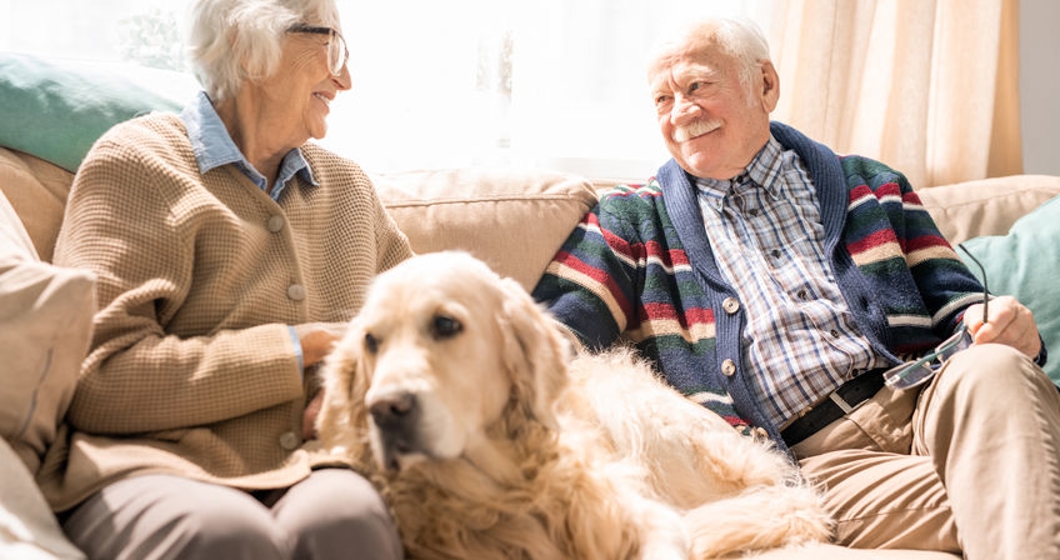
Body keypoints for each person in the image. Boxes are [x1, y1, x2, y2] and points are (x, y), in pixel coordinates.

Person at [532, 16, 1060, 560]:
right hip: (815, 461)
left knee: (995, 367)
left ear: (765, 85)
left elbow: (959, 302)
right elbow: (541, 342)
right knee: (1025, 492)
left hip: (934, 402)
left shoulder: (871, 185)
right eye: (662, 99)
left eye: (697, 87)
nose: (681, 113)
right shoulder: (633, 220)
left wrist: (993, 321)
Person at [37, 0, 413, 558]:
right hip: (153, 465)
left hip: (316, 463)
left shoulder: (349, 189)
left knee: (347, 520)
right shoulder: (137, 163)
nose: (346, 78)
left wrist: (355, 378)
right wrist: (309, 345)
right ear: (247, 44)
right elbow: (97, 379)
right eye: (331, 46)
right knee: (226, 538)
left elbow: (422, 333)